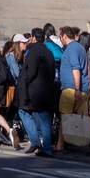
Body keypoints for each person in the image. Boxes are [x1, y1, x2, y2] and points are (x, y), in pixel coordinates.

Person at [56, 27, 90, 154]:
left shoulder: (71, 49)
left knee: (64, 116)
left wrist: (76, 89)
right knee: (85, 117)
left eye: (61, 37)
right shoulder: (81, 48)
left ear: (64, 36)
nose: (61, 40)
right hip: (82, 89)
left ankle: (60, 145)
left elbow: (76, 69)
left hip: (72, 90)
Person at [17, 28, 56, 156]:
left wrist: (24, 83)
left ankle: (37, 142)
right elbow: (52, 73)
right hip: (47, 90)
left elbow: (30, 72)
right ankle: (45, 147)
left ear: (33, 38)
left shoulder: (33, 52)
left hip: (35, 91)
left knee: (24, 111)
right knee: (44, 119)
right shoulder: (48, 52)